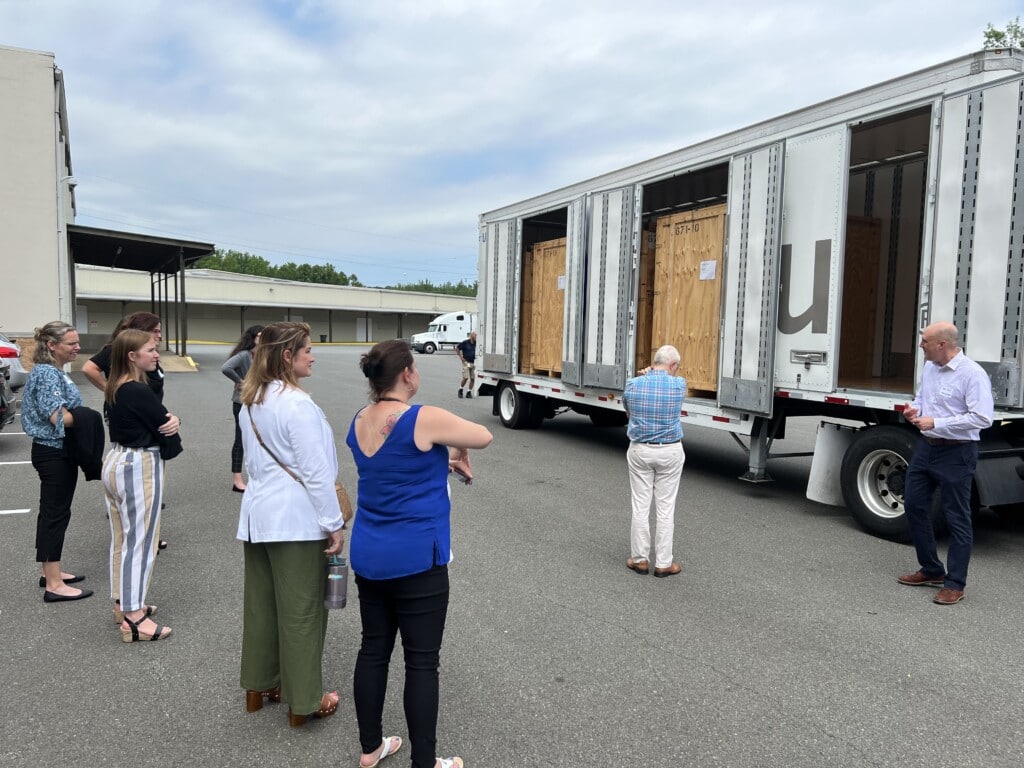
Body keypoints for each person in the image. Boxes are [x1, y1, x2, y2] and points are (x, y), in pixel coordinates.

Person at [347, 339, 492, 768]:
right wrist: (457, 448)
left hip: (370, 554)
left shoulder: (359, 419)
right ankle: (425, 763)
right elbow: (482, 435)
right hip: (416, 559)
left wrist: (442, 457)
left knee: (373, 649)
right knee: (422, 663)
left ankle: (370, 747)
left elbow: (395, 465)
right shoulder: (421, 417)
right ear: (408, 374)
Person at [237, 322, 345, 726]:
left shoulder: (253, 399)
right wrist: (333, 523)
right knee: (302, 612)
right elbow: (316, 472)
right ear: (287, 355)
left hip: (258, 515)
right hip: (296, 520)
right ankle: (305, 699)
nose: (312, 356)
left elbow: (252, 463)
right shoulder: (296, 403)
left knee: (262, 606)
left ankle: (260, 684)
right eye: (307, 350)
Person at [898, 321, 994, 605]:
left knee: (957, 517)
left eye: (924, 341)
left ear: (942, 344)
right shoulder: (930, 368)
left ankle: (955, 583)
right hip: (926, 448)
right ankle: (931, 569)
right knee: (914, 505)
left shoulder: (972, 375)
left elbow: (982, 418)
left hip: (957, 453)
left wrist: (936, 422)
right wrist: (915, 410)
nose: (920, 345)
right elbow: (922, 400)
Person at [102, 330, 182, 641]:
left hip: (118, 460)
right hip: (138, 465)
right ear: (132, 356)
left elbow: (159, 419)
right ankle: (133, 617)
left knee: (122, 538)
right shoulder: (136, 390)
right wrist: (174, 421)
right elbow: (165, 427)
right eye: (150, 349)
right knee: (142, 541)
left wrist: (170, 419)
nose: (156, 353)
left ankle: (125, 604)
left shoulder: (116, 386)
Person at [83, 311, 178, 551]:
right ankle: (142, 538)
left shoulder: (148, 357)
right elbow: (88, 368)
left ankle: (148, 533)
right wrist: (110, 389)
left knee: (147, 494)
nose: (159, 336)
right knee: (138, 490)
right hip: (138, 420)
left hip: (150, 411)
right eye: (155, 331)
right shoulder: (123, 354)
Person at [20, 321, 94, 602]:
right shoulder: (48, 374)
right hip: (54, 453)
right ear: (52, 346)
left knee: (52, 512)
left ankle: (51, 572)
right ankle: (54, 584)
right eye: (71, 343)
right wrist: (90, 418)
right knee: (55, 514)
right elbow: (58, 418)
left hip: (51, 451)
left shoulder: (49, 372)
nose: (77, 347)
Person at [623, 345, 687, 578]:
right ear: (672, 366)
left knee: (640, 506)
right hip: (670, 451)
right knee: (665, 507)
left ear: (653, 362)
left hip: (641, 450)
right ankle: (663, 563)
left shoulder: (633, 384)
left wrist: (646, 374)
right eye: (675, 367)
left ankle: (640, 560)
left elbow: (628, 412)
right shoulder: (679, 385)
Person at [221, 325, 264, 493]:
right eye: (260, 336)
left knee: (259, 439)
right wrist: (241, 382)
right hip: (241, 403)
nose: (263, 339)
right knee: (241, 440)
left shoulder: (261, 356)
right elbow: (226, 368)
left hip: (259, 403)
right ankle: (237, 480)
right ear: (252, 338)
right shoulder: (244, 355)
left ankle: (257, 475)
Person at [455, 331, 476, 399]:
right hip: (466, 362)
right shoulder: (465, 343)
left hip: (474, 363)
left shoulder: (477, 344)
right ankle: (460, 389)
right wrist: (461, 357)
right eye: (475, 336)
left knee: (472, 378)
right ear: (471, 336)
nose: (476, 337)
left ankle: (469, 392)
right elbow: (457, 348)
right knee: (466, 377)